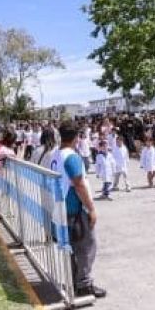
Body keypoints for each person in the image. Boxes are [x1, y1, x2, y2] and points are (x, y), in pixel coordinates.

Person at [51, 122, 105, 298]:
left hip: (59, 207)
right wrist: (91, 208)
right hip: (74, 209)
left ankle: (75, 280)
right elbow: (79, 184)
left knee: (74, 248)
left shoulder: (55, 154)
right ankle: (83, 284)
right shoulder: (72, 157)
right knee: (86, 246)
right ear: (76, 138)